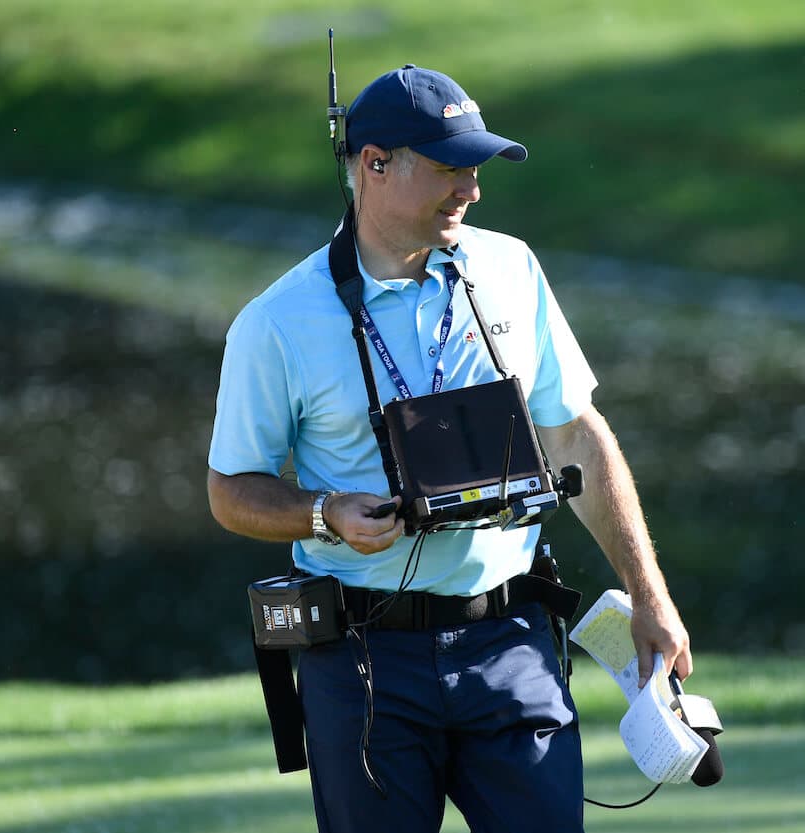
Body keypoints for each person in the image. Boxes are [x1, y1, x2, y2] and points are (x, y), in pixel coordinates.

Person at [207, 64, 692, 833]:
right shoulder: (276, 322)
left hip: (511, 640)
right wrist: (325, 514)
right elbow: (232, 489)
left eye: (475, 167)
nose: (472, 187)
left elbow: (575, 432)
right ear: (373, 164)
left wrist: (651, 591)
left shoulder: (511, 268)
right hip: (365, 659)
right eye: (449, 166)